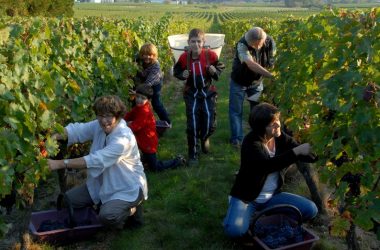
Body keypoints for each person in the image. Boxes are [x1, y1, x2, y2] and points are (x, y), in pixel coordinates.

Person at [48, 95, 148, 230]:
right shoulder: (99, 126)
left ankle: (131, 210)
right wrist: (55, 135)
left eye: (108, 116)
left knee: (107, 216)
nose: (103, 121)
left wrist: (59, 163)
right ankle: (101, 206)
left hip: (125, 187)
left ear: (118, 116)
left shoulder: (123, 139)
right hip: (101, 183)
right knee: (68, 201)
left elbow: (96, 160)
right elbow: (78, 130)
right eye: (100, 115)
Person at [223, 103, 318, 242]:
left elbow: (301, 151)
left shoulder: (279, 137)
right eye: (272, 124)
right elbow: (267, 166)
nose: (278, 125)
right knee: (234, 231)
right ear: (262, 127)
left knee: (311, 209)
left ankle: (262, 217)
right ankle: (240, 211)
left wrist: (317, 151)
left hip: (271, 197)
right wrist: (296, 152)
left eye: (278, 120)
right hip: (247, 198)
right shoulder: (251, 143)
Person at [173, 28, 224, 165]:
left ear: (203, 42)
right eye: (193, 41)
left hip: (208, 92)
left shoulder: (210, 55)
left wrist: (215, 71)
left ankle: (205, 137)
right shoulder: (184, 57)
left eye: (198, 41)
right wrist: (181, 74)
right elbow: (177, 70)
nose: (196, 45)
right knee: (193, 124)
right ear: (188, 42)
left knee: (209, 122)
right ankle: (193, 154)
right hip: (192, 93)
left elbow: (220, 68)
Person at [229, 27, 276, 148]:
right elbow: (250, 64)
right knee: (236, 111)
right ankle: (237, 139)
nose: (255, 48)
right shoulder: (242, 44)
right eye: (253, 45)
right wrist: (270, 75)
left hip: (256, 82)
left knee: (258, 111)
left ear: (263, 40)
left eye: (257, 45)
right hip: (239, 81)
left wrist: (274, 74)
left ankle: (258, 138)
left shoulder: (270, 42)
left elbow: (273, 61)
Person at [124, 84, 186, 171]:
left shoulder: (145, 111)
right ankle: (144, 162)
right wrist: (121, 120)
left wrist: (123, 127)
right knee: (144, 159)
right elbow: (129, 115)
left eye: (142, 98)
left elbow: (136, 126)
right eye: (137, 97)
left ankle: (177, 161)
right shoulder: (138, 107)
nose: (139, 100)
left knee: (155, 167)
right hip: (143, 140)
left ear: (148, 100)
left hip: (149, 141)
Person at [134, 42, 171, 125]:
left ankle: (167, 122)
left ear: (154, 56)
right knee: (137, 102)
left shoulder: (155, 67)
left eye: (150, 55)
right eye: (144, 54)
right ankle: (137, 121)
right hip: (145, 80)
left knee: (156, 103)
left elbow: (148, 83)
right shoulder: (140, 60)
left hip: (155, 83)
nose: (147, 57)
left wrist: (137, 92)